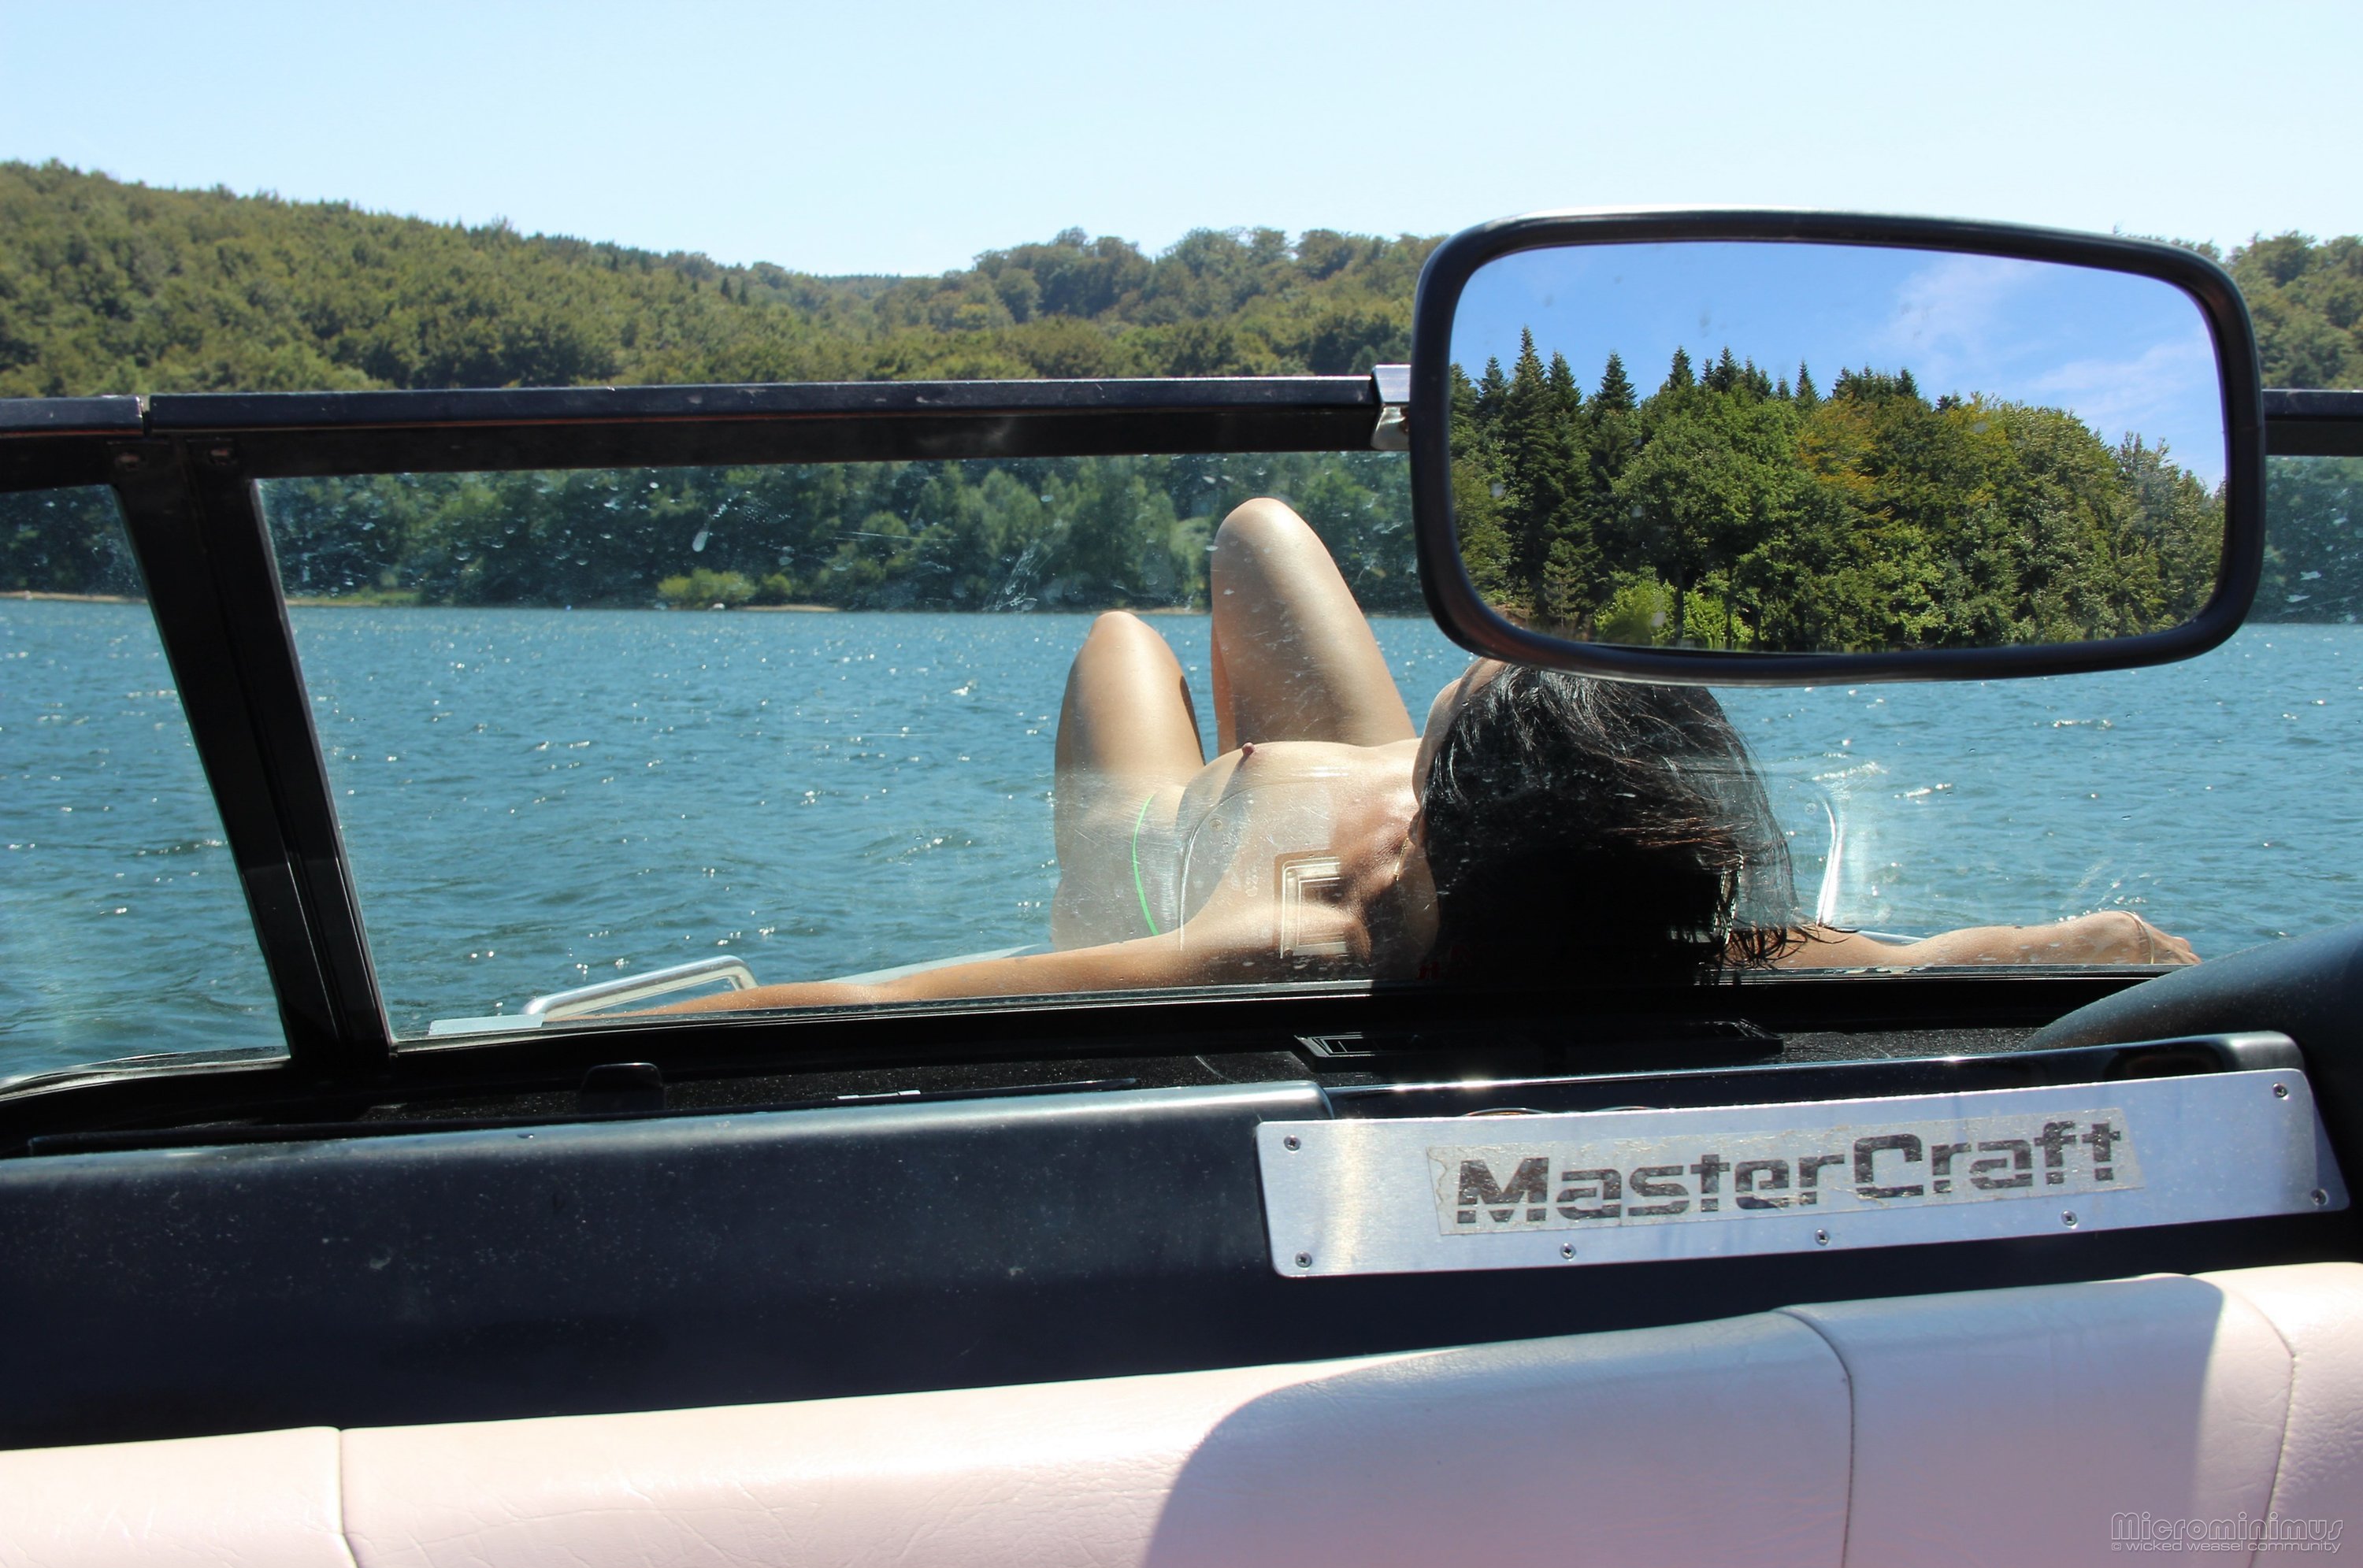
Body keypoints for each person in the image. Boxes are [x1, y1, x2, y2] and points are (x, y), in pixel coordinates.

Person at [673, 498, 2192, 1013]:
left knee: (1122, 643)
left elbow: (906, 1003)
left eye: (1442, 726)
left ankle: (1138, 760)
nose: (1421, 737)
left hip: (1181, 836)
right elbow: (1924, 962)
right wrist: (2078, 943)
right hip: (1369, 793)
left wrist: (699, 1023)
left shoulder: (1272, 937)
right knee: (1258, 532)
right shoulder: (1683, 928)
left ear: (1423, 822)